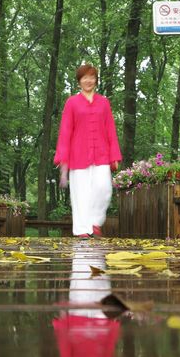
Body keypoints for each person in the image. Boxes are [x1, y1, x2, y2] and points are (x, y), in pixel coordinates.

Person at [54, 64, 122, 238]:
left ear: (96, 80)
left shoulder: (104, 102)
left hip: (102, 153)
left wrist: (114, 155)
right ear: (79, 81)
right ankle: (82, 230)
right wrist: (63, 156)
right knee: (81, 193)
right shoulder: (72, 103)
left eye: (92, 77)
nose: (88, 80)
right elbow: (65, 130)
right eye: (85, 77)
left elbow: (110, 130)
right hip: (78, 154)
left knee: (104, 188)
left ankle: (95, 221)